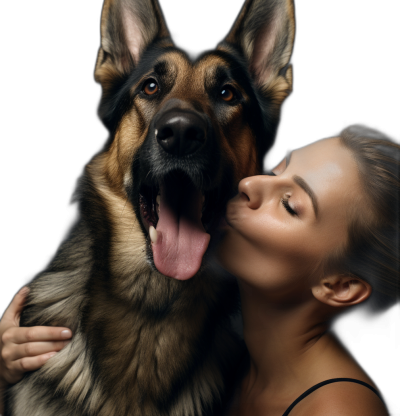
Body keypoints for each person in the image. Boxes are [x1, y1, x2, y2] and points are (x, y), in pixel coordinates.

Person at [1, 125, 398, 415]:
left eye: (290, 205)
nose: (251, 185)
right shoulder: (223, 359)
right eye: (277, 170)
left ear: (340, 285)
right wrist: (9, 382)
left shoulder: (339, 410)